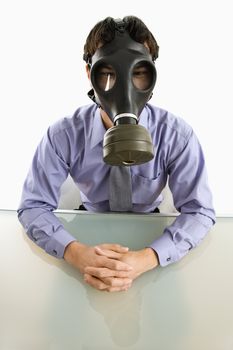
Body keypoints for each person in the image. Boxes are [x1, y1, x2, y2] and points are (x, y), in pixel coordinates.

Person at [17, 16, 215, 293]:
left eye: (138, 72)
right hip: (88, 228)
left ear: (152, 75)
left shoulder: (175, 135)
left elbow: (200, 210)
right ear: (89, 74)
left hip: (150, 230)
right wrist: (76, 253)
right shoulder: (64, 134)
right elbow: (33, 205)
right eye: (107, 72)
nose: (124, 87)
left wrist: (148, 258)